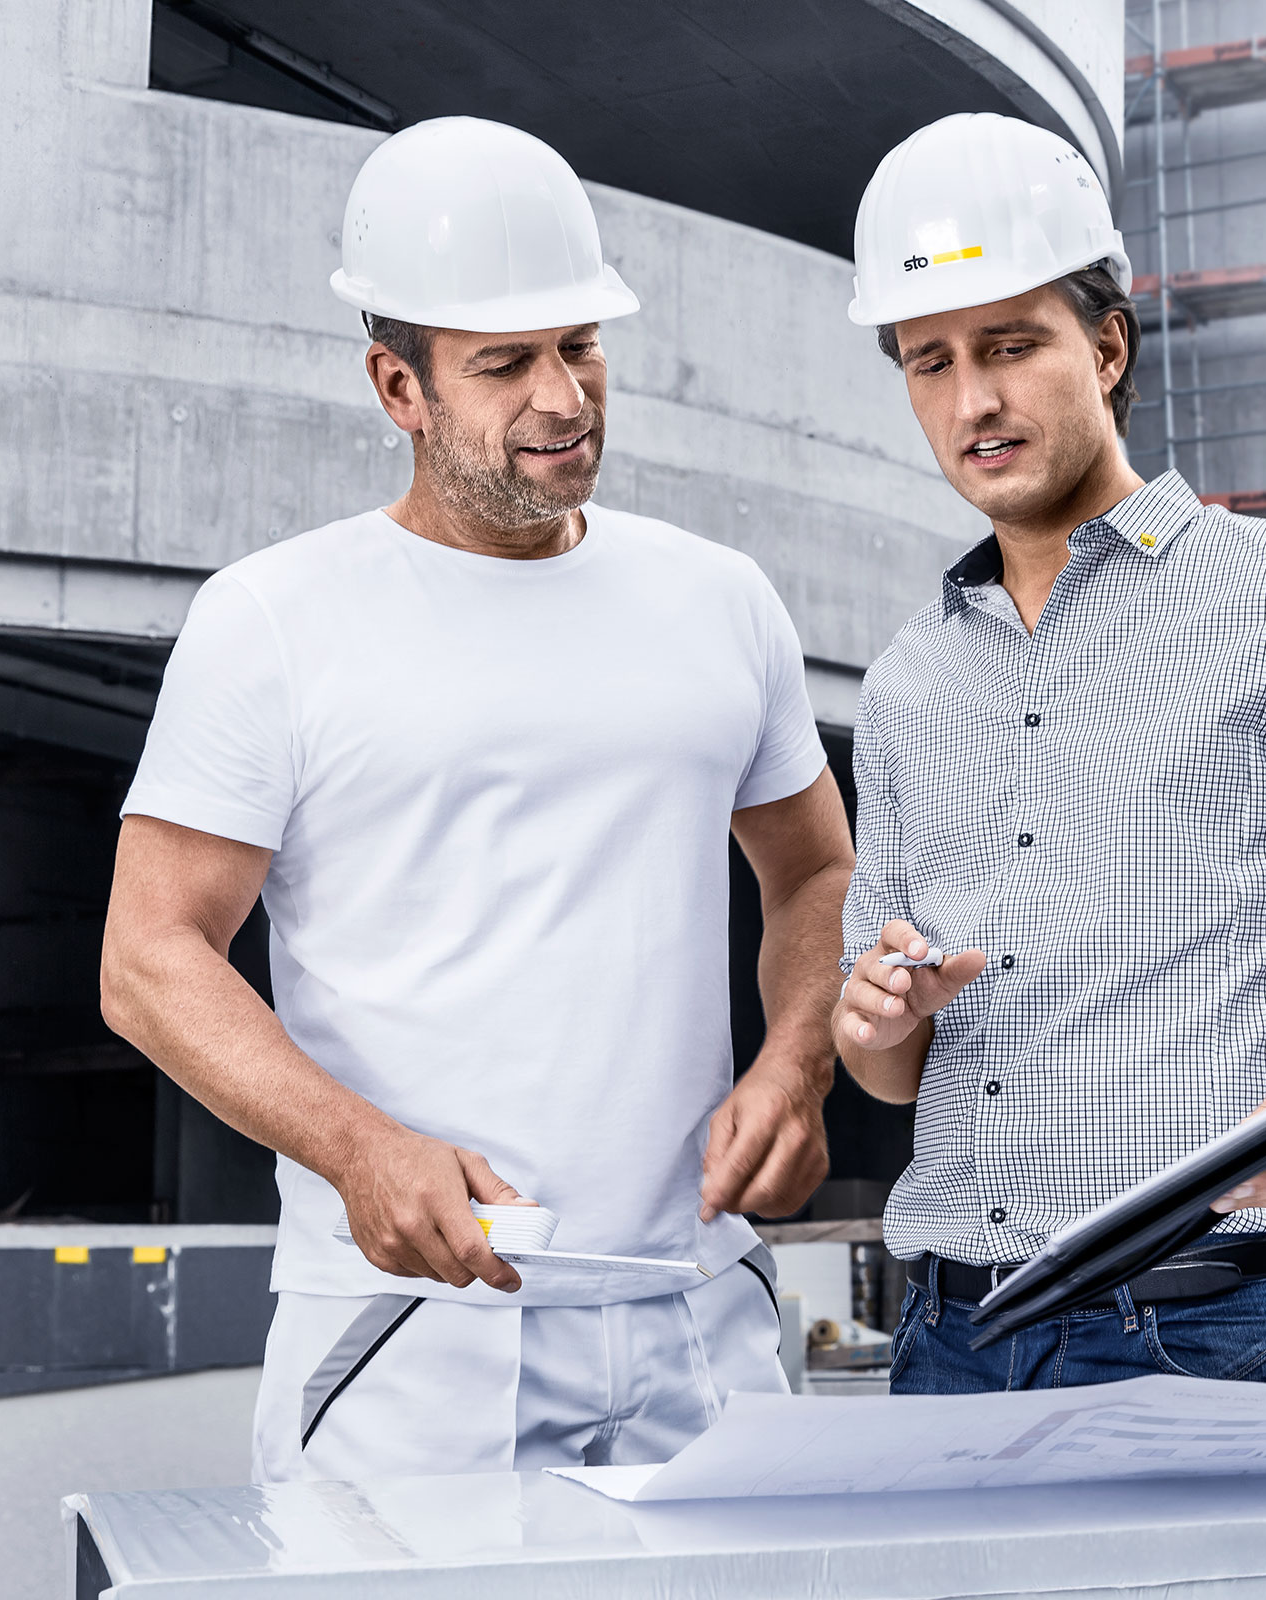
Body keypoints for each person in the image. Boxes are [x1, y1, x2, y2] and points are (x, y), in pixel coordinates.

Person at [100, 118, 853, 1480]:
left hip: (699, 1312)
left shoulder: (720, 598)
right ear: (399, 385)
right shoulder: (274, 619)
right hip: (414, 1331)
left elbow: (812, 871)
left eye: (580, 347)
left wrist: (796, 1065)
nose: (561, 399)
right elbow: (149, 962)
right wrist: (358, 1150)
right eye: (505, 366)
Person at [830, 114, 1266, 1394]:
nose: (972, 398)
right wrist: (875, 1014)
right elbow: (883, 1061)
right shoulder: (911, 677)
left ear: (1107, 344)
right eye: (930, 361)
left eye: (1011, 345)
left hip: (1211, 1332)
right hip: (950, 1342)